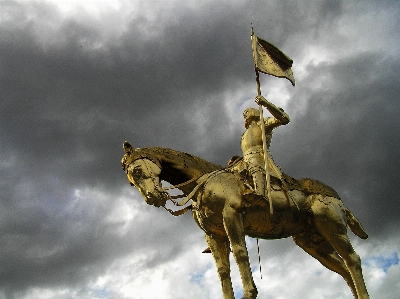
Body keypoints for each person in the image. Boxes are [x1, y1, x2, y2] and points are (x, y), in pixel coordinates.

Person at [241, 95, 290, 200]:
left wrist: (266, 104)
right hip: (245, 160)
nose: (244, 113)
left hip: (260, 157)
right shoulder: (244, 134)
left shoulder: (262, 124)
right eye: (244, 113)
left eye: (247, 111)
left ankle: (260, 196)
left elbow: (284, 119)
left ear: (255, 113)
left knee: (255, 168)